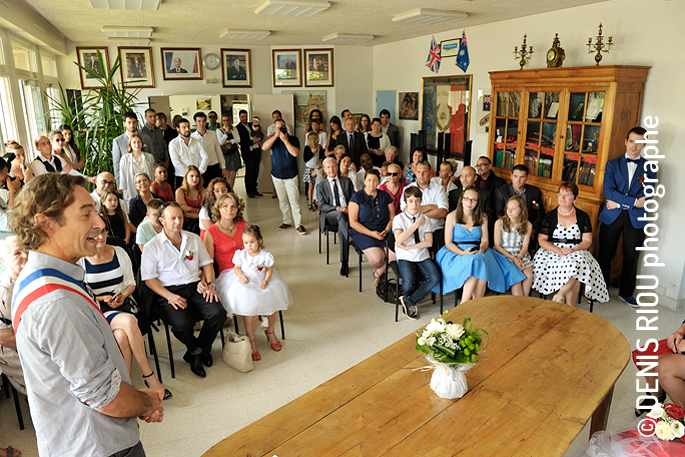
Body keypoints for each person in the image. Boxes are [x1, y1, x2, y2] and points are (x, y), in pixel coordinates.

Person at [10, 173, 163, 456]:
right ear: (47, 224)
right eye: (86, 214)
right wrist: (147, 402)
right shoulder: (56, 303)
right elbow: (106, 398)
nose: (100, 223)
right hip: (99, 446)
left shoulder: (43, 275)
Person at [79, 230, 171, 400]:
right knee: (128, 322)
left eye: (103, 232)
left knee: (121, 337)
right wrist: (101, 298)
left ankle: (126, 386)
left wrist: (122, 295)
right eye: (95, 234)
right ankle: (149, 376)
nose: (101, 237)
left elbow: (131, 283)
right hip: (99, 311)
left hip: (122, 305)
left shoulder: (119, 252)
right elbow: (81, 293)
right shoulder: (81, 260)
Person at [141, 201, 226, 378]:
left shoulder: (193, 239)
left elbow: (207, 265)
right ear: (162, 220)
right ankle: (196, 350)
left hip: (196, 286)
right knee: (180, 325)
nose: (177, 222)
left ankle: (198, 350)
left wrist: (209, 285)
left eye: (180, 217)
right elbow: (149, 280)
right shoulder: (152, 247)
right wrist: (169, 296)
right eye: (172, 218)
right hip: (169, 291)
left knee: (218, 312)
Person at [433, 186, 526, 303]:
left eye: (473, 200)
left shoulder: (483, 216)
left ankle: (472, 306)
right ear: (461, 199)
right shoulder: (452, 216)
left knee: (483, 274)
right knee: (475, 264)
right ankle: (465, 304)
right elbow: (448, 242)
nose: (469, 202)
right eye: (466, 199)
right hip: (456, 252)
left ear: (478, 202)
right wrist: (463, 253)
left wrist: (482, 249)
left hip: (479, 250)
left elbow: (485, 240)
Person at [598, 126, 656, 307]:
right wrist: (631, 202)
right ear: (626, 141)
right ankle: (601, 289)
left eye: (639, 143)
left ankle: (626, 293)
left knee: (631, 255)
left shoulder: (650, 167)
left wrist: (622, 203)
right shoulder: (612, 164)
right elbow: (609, 191)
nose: (634, 146)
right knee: (605, 254)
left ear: (644, 144)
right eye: (631, 141)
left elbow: (648, 194)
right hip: (612, 214)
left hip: (636, 218)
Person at [532, 182, 609, 305]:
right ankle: (570, 308)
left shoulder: (583, 216)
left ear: (575, 198)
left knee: (576, 262)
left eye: (567, 195)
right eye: (560, 194)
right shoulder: (550, 216)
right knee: (577, 270)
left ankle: (560, 295)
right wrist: (558, 250)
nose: (562, 198)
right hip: (553, 250)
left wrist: (574, 249)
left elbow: (587, 241)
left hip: (576, 250)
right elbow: (542, 240)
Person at [226, 225, 292, 361]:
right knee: (250, 306)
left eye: (252, 242)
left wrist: (267, 280)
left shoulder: (265, 256)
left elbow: (268, 269)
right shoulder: (241, 255)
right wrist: (241, 276)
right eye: (246, 243)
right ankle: (250, 337)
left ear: (259, 241)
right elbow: (236, 268)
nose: (249, 246)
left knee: (274, 300)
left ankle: (270, 330)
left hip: (262, 281)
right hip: (246, 283)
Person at [393, 187, 440, 321]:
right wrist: (416, 224)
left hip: (421, 254)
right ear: (406, 202)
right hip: (405, 256)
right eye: (411, 201)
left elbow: (429, 242)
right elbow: (399, 239)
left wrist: (410, 247)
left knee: (434, 278)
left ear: (421, 202)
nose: (414, 205)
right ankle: (409, 303)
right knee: (409, 281)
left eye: (417, 201)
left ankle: (410, 301)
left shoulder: (426, 219)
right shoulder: (399, 219)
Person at [349, 169, 396, 287]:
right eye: (369, 180)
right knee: (377, 259)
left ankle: (378, 272)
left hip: (384, 231)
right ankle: (379, 267)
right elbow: (353, 222)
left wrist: (387, 229)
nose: (372, 183)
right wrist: (371, 233)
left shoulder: (385, 195)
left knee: (397, 256)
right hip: (363, 232)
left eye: (375, 180)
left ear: (379, 182)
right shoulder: (357, 197)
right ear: (364, 181)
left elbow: (392, 217)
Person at [203, 192, 247, 311]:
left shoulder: (244, 225)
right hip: (228, 273)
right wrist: (210, 283)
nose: (230, 210)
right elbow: (208, 262)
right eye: (225, 206)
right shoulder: (211, 232)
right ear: (218, 209)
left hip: (247, 268)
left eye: (233, 206)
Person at [262, 119, 306, 235]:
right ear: (274, 129)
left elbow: (295, 153)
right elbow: (264, 147)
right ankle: (286, 220)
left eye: (282, 126)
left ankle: (298, 224)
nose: (280, 129)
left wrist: (285, 141)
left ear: (285, 127)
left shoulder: (293, 139)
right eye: (277, 127)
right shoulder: (273, 140)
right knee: (282, 200)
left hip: (290, 175)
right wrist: (275, 137)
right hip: (276, 175)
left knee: (294, 200)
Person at [317, 157, 354, 276]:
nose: (331, 169)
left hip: (346, 215)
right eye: (328, 167)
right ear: (324, 169)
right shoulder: (320, 186)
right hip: (330, 214)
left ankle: (344, 262)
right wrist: (339, 208)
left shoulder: (346, 181)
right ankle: (351, 238)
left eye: (333, 166)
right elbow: (322, 206)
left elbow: (353, 199)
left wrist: (350, 209)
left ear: (337, 167)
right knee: (340, 214)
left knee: (342, 229)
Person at [0, 237, 26, 395]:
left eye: (26, 251)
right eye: (17, 253)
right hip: (16, 358)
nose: (25, 256)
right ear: (3, 260)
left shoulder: (24, 280)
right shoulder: (4, 291)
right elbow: (5, 337)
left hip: (30, 347)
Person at [401, 162, 449, 248]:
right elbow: (406, 210)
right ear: (415, 172)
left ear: (430, 173)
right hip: (413, 230)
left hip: (435, 230)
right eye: (419, 172)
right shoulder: (407, 189)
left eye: (425, 172)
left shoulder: (439, 189)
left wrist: (419, 215)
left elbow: (443, 212)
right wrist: (430, 207)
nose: (421, 175)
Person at [494, 195, 534, 296]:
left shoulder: (527, 225)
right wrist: (513, 258)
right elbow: (497, 246)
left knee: (529, 275)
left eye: (514, 208)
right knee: (517, 278)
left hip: (520, 255)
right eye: (508, 208)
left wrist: (519, 257)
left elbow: (525, 247)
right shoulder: (500, 223)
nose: (509, 211)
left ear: (521, 210)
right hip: (504, 256)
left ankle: (522, 305)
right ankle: (520, 305)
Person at [494, 164, 545, 233]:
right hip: (509, 229)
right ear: (511, 176)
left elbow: (540, 213)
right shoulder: (501, 192)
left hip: (529, 228)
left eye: (522, 177)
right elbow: (499, 214)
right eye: (515, 176)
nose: (518, 180)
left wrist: (532, 229)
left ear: (527, 177)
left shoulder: (534, 191)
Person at [30, 135, 96, 183]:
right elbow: (47, 182)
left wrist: (89, 179)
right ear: (37, 148)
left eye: (48, 143)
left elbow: (71, 171)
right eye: (43, 144)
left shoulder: (58, 158)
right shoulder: (36, 164)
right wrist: (63, 173)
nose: (48, 145)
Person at [169, 118, 208, 190]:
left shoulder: (197, 142)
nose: (187, 129)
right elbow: (176, 163)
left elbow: (205, 157)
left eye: (188, 126)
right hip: (182, 177)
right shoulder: (173, 143)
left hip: (198, 176)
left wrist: (199, 171)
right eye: (184, 127)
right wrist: (189, 174)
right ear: (178, 129)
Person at [112, 112, 148, 188]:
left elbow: (151, 158)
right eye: (129, 122)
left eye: (134, 122)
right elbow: (116, 164)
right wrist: (119, 184)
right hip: (128, 181)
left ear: (137, 122)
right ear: (124, 123)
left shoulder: (145, 138)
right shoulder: (118, 141)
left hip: (145, 179)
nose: (132, 125)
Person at [191, 112, 227, 184]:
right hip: (201, 167)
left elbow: (218, 151)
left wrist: (223, 167)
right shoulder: (192, 137)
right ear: (195, 122)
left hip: (214, 165)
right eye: (199, 121)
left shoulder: (212, 134)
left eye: (203, 121)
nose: (202, 123)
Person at [119, 133, 155, 202]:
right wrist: (123, 189)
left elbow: (152, 174)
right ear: (130, 144)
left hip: (147, 187)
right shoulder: (125, 158)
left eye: (139, 142)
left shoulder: (149, 157)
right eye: (134, 142)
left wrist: (153, 186)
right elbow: (122, 175)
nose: (137, 145)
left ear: (142, 143)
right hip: (131, 187)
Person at [235, 109, 261, 198]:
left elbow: (259, 132)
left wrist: (258, 139)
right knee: (249, 171)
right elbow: (240, 141)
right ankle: (249, 191)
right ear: (239, 117)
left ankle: (255, 189)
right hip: (247, 151)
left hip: (256, 150)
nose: (245, 118)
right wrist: (252, 141)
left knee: (256, 170)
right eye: (242, 117)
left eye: (246, 116)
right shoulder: (237, 127)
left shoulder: (251, 124)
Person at [175, 165, 204, 235]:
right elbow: (184, 213)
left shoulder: (203, 190)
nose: (195, 179)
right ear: (186, 177)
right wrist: (200, 212)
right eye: (192, 176)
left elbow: (206, 209)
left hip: (201, 220)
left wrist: (190, 208)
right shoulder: (180, 191)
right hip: (186, 223)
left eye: (197, 176)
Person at [219, 114, 241, 190]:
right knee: (227, 173)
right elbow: (221, 142)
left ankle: (231, 189)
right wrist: (225, 133)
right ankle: (226, 190)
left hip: (234, 152)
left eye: (227, 120)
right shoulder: (219, 130)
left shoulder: (234, 128)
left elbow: (238, 139)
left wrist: (229, 141)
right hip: (225, 154)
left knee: (233, 173)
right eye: (224, 120)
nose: (226, 122)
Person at [303, 131, 322, 212]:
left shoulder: (319, 147)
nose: (317, 140)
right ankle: (310, 203)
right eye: (316, 139)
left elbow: (320, 157)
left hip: (316, 168)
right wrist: (312, 153)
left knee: (316, 185)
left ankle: (314, 201)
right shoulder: (307, 148)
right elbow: (305, 159)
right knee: (311, 186)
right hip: (309, 168)